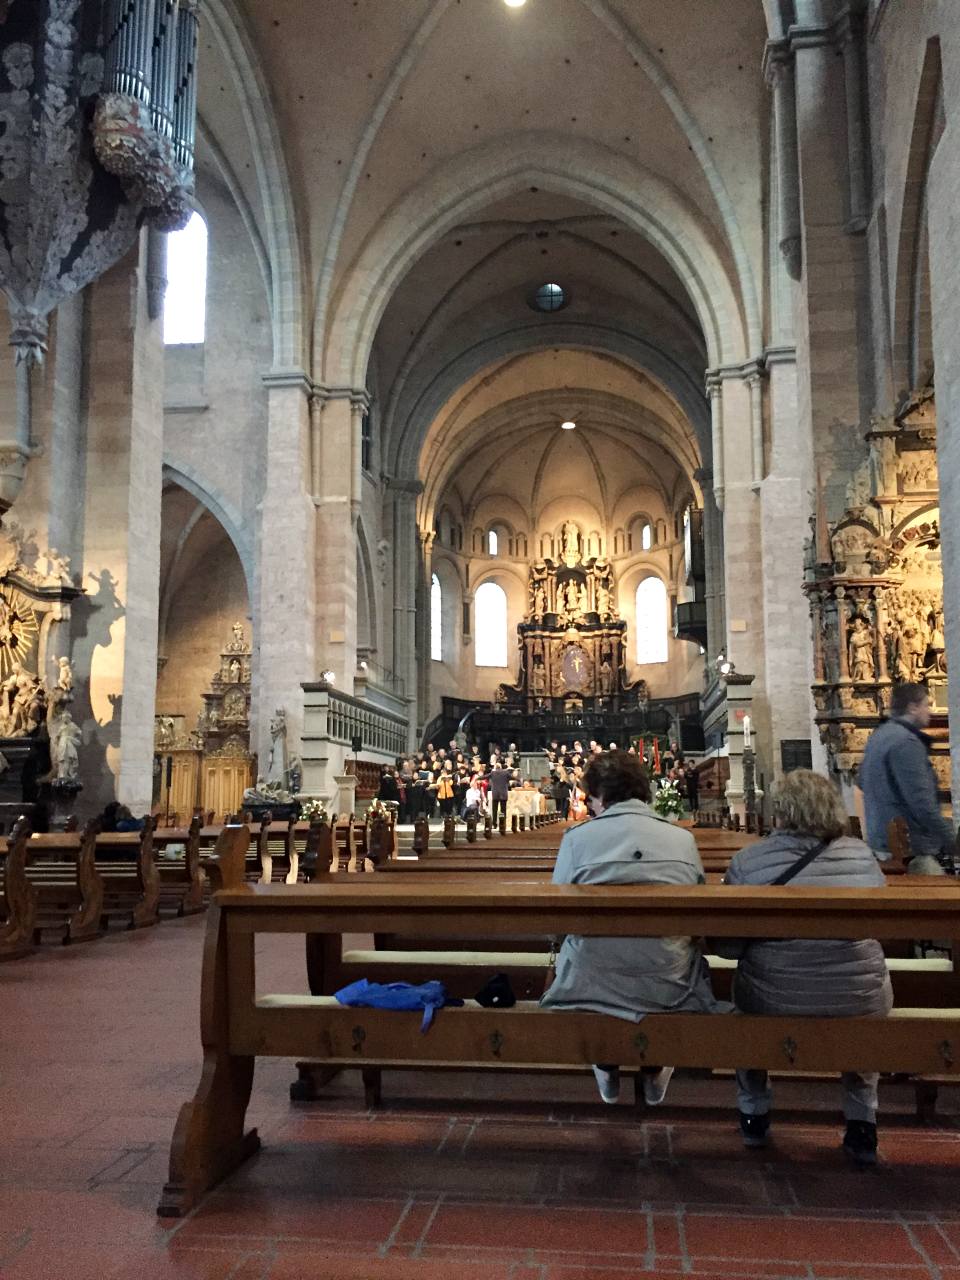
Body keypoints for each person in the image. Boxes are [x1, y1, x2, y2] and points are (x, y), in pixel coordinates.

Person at [723, 769, 892, 1165]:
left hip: (772, 997)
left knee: (746, 994)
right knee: (861, 990)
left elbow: (728, 947)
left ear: (779, 811)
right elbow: (882, 929)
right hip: (856, 997)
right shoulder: (860, 855)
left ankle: (754, 1113)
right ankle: (862, 1123)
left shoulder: (749, 860)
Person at [541, 751, 721, 1106]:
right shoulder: (681, 839)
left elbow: (555, 922)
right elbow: (698, 916)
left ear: (599, 796)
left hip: (592, 983)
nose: (589, 807)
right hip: (669, 982)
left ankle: (606, 1064)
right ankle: (655, 1068)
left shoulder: (578, 839)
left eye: (588, 799)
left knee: (587, 958)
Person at [859, 682, 953, 872]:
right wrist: (951, 841)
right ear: (912, 707)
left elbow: (861, 781)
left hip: (881, 842)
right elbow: (922, 802)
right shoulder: (906, 742)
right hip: (909, 851)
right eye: (926, 705)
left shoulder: (879, 736)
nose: (930, 711)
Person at [487, 759, 514, 826]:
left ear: (495, 768)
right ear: (501, 767)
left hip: (495, 794)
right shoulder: (505, 773)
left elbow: (485, 776)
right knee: (503, 810)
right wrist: (518, 779)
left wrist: (477, 778)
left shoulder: (493, 773)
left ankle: (494, 823)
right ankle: (502, 823)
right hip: (503, 794)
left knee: (494, 810)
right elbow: (512, 777)